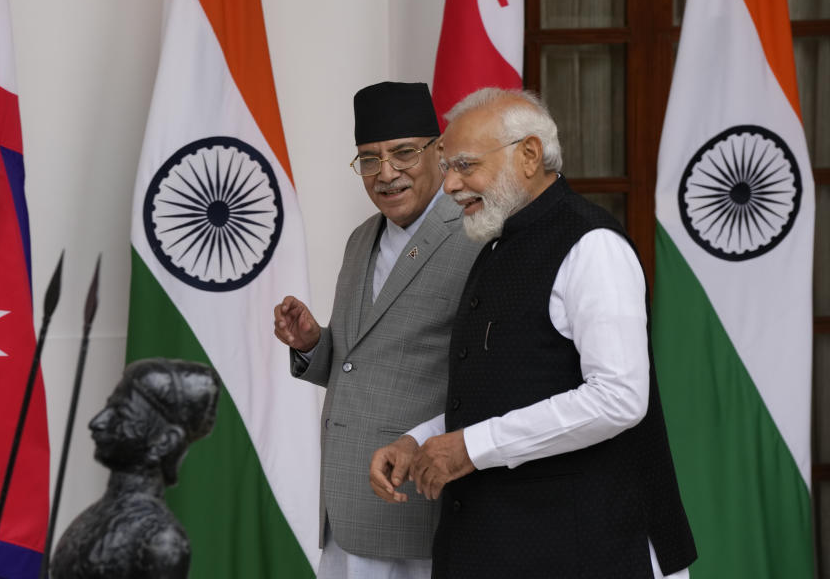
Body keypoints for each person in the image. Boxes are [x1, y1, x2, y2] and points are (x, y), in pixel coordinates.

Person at [370, 88, 697, 578]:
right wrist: (421, 440)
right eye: (447, 166)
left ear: (529, 155)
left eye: (463, 165)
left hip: (590, 549)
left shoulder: (593, 246)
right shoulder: (497, 244)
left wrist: (471, 448)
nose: (450, 184)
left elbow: (619, 399)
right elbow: (509, 387)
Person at [273, 81, 481, 578]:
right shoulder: (361, 238)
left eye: (403, 153)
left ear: (441, 151)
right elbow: (359, 361)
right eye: (369, 159)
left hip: (415, 501)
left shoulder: (475, 233)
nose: (386, 174)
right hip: (344, 503)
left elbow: (485, 374)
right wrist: (312, 344)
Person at [50, 358, 220, 579]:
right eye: (108, 409)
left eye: (120, 414)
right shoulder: (92, 517)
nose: (97, 422)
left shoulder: (160, 539)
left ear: (164, 441)